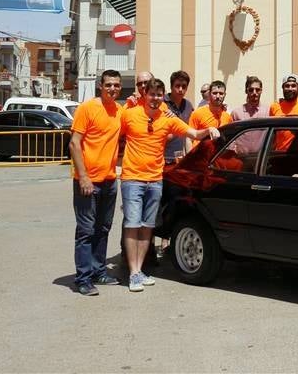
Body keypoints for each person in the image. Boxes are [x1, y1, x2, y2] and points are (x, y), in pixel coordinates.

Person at [120, 78, 219, 292]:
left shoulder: (167, 118)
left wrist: (209, 130)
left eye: (158, 95)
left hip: (155, 180)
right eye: (152, 94)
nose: (155, 98)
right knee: (132, 225)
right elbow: (112, 135)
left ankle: (139, 270)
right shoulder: (129, 114)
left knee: (147, 226)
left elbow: (193, 133)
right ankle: (134, 273)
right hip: (132, 179)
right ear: (144, 94)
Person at [68, 69, 123, 296]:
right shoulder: (87, 108)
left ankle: (99, 271)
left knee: (103, 228)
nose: (112, 89)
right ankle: (83, 278)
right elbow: (74, 143)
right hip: (88, 181)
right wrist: (83, 177)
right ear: (101, 85)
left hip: (110, 180)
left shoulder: (120, 111)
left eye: (116, 85)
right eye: (108, 84)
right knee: (86, 230)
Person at [156, 70, 194, 259]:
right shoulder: (162, 104)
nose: (180, 90)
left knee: (173, 204)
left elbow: (190, 133)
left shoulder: (188, 106)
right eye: (177, 86)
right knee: (156, 204)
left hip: (179, 164)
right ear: (171, 87)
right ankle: (150, 246)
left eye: (184, 86)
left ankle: (166, 240)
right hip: (161, 161)